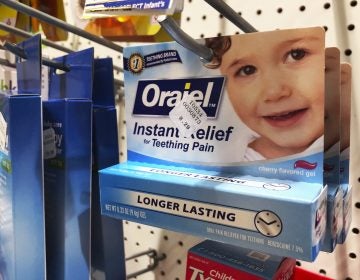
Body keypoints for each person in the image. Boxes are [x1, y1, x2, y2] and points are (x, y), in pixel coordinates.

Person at [205, 27, 325, 161]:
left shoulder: (347, 147)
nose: (274, 92)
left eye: (296, 55)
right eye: (247, 70)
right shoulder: (225, 162)